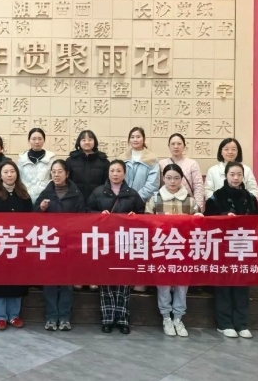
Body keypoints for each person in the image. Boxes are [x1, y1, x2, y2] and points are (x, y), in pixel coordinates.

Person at [205, 162, 258, 339]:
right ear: (226, 176)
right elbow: (207, 221)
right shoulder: (216, 197)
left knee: (242, 286)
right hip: (222, 248)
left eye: (239, 174)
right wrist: (224, 218)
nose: (236, 178)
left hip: (244, 248)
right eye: (232, 174)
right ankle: (224, 324)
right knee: (223, 286)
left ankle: (241, 323)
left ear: (243, 176)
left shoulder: (250, 198)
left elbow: (257, 222)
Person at [87, 159, 144, 335]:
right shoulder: (98, 192)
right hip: (104, 242)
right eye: (112, 171)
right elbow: (86, 212)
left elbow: (143, 215)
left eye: (119, 171)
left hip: (125, 243)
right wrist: (99, 214)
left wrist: (135, 216)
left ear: (124, 173)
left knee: (123, 282)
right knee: (105, 281)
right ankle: (107, 319)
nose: (115, 174)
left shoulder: (132, 194)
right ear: (108, 173)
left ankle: (123, 319)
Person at [146, 164, 203, 338]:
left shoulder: (190, 201)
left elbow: (199, 224)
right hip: (161, 248)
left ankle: (178, 317)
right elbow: (146, 223)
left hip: (184, 249)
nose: (172, 181)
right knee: (163, 283)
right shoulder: (155, 199)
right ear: (163, 179)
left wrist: (199, 218)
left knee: (182, 283)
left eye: (176, 178)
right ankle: (166, 317)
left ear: (182, 179)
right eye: (169, 178)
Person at [35, 160, 86, 332]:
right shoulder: (45, 193)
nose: (56, 175)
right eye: (53, 171)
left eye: (59, 171)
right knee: (49, 282)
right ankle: (51, 317)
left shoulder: (76, 194)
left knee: (66, 283)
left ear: (67, 174)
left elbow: (82, 218)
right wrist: (41, 208)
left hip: (68, 244)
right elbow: (33, 218)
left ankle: (64, 317)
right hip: (50, 244)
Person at [0, 161, 32, 331]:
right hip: (0, 244)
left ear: (17, 174)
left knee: (16, 280)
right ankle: (0, 316)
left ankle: (14, 315)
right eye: (5, 172)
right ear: (0, 175)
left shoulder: (24, 195)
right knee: (0, 281)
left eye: (12, 171)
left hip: (18, 244)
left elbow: (30, 219)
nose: (9, 175)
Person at [66, 130, 109, 292]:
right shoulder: (70, 161)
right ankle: (78, 277)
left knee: (95, 245)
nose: (87, 142)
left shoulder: (103, 162)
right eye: (83, 139)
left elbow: (107, 184)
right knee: (77, 245)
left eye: (90, 139)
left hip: (96, 207)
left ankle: (92, 278)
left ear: (95, 142)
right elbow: (67, 183)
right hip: (76, 207)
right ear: (79, 142)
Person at [118, 127, 160, 292]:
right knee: (123, 244)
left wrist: (135, 198)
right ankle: (124, 278)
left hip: (142, 205)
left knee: (140, 244)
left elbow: (153, 184)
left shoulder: (152, 159)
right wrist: (126, 199)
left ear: (144, 139)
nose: (135, 139)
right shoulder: (122, 158)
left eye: (138, 137)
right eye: (132, 137)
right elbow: (116, 179)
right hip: (122, 206)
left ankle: (139, 280)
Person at [158, 133, 205, 212]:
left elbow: (198, 187)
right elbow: (158, 186)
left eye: (179, 144)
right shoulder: (161, 164)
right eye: (173, 144)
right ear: (169, 146)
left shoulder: (192, 164)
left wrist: (198, 208)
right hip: (165, 204)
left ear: (184, 146)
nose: (176, 146)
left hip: (187, 204)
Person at [18, 128, 56, 204]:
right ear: (29, 140)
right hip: (25, 198)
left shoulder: (51, 158)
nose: (37, 142)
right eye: (34, 139)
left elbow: (54, 179)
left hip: (46, 198)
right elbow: (18, 179)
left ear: (44, 140)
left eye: (40, 139)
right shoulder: (21, 158)